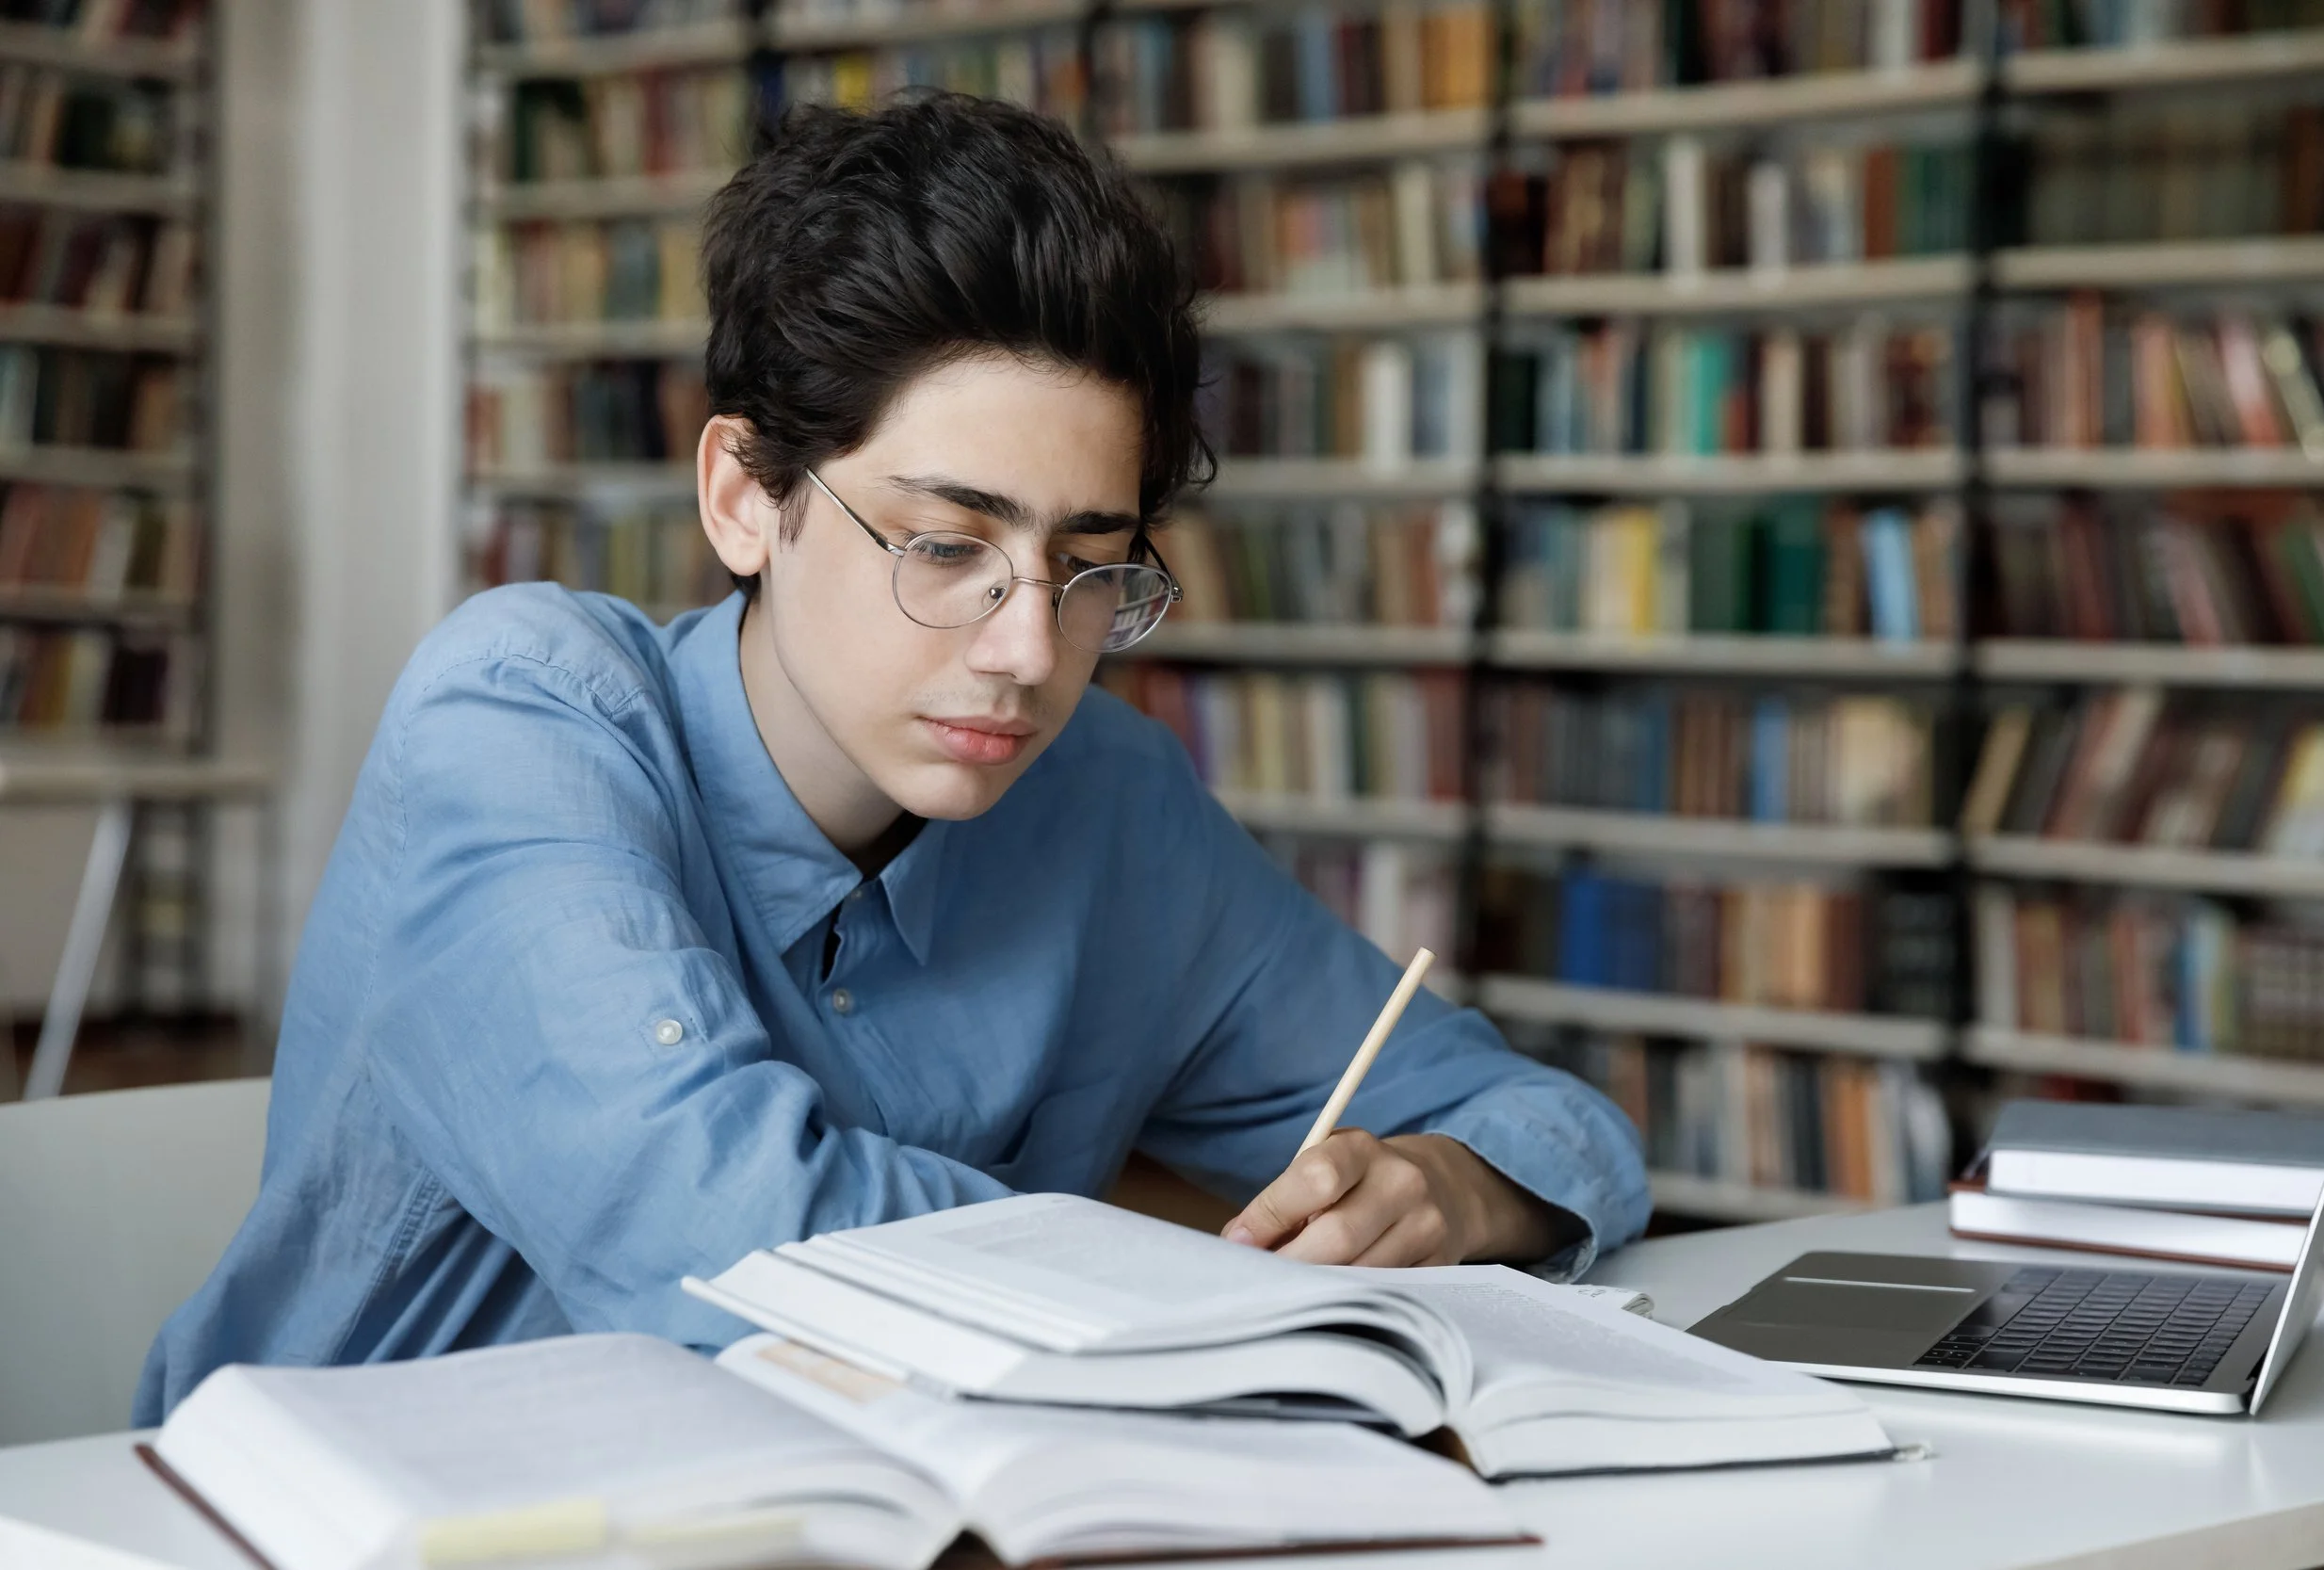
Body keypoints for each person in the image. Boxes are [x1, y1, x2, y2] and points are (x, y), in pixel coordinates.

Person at [137, 93, 1649, 1422]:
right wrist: (1191, 1287)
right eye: (944, 544)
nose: (1026, 649)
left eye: (1088, 568)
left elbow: (1536, 1117)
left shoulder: (1109, 802)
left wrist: (1457, 1186)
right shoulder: (524, 713)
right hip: (318, 1518)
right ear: (744, 494)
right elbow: (723, 1235)